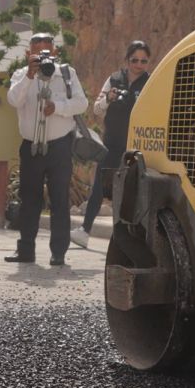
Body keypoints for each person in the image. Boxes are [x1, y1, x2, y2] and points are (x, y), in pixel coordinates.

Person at [4, 32, 88, 266]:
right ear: (27, 54)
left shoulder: (67, 73)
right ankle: (26, 251)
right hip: (30, 147)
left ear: (55, 52)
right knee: (29, 199)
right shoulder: (21, 75)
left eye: (47, 50)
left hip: (59, 146)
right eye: (37, 50)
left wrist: (58, 107)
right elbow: (13, 100)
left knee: (60, 200)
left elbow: (82, 103)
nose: (42, 55)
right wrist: (30, 75)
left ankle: (58, 253)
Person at [71, 40, 151, 248]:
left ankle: (125, 239)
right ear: (127, 60)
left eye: (143, 61)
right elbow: (97, 109)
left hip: (135, 147)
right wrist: (109, 98)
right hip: (112, 143)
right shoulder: (114, 79)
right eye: (134, 60)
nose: (138, 65)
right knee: (99, 186)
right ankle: (84, 230)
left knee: (129, 192)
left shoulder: (150, 83)